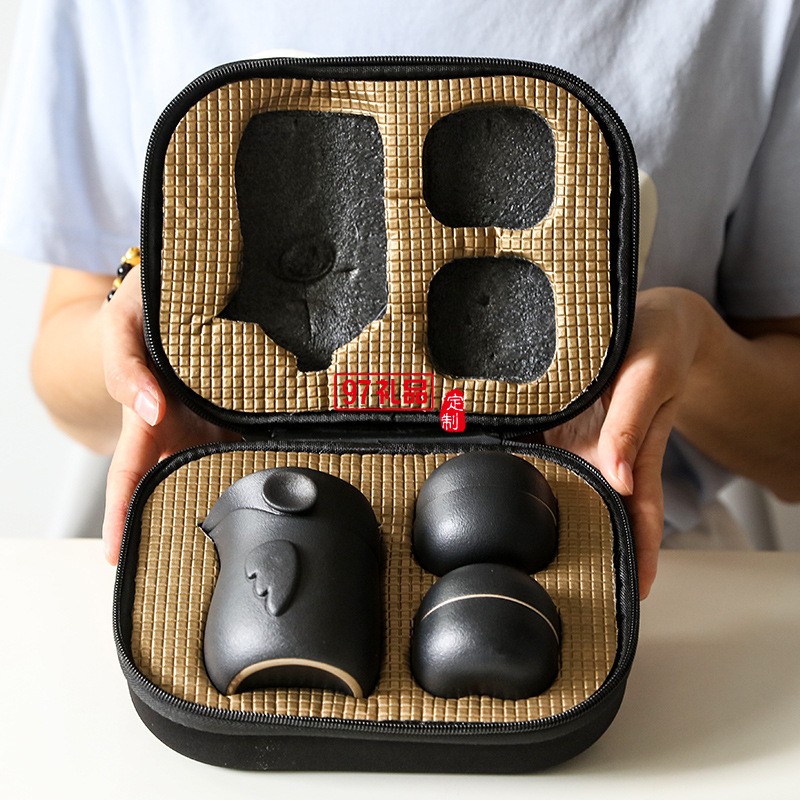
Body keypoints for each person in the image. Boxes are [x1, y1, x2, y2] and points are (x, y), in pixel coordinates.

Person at [1, 0, 799, 600]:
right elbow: (63, 361)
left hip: (623, 563)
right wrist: (153, 345)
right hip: (230, 535)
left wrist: (692, 353)